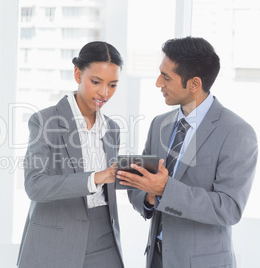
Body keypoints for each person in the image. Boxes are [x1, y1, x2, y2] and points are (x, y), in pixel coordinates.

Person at [117, 37, 258, 268]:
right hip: (156, 259)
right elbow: (141, 188)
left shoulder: (237, 132)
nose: (157, 83)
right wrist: (150, 195)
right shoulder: (158, 124)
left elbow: (229, 209)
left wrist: (164, 188)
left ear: (194, 84)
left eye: (166, 77)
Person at [17, 41, 124, 268]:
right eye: (96, 82)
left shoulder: (112, 128)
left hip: (105, 241)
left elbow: (112, 184)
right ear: (78, 74)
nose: (104, 93)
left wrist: (141, 182)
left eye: (112, 85)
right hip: (56, 242)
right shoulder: (45, 121)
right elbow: (34, 185)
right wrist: (95, 177)